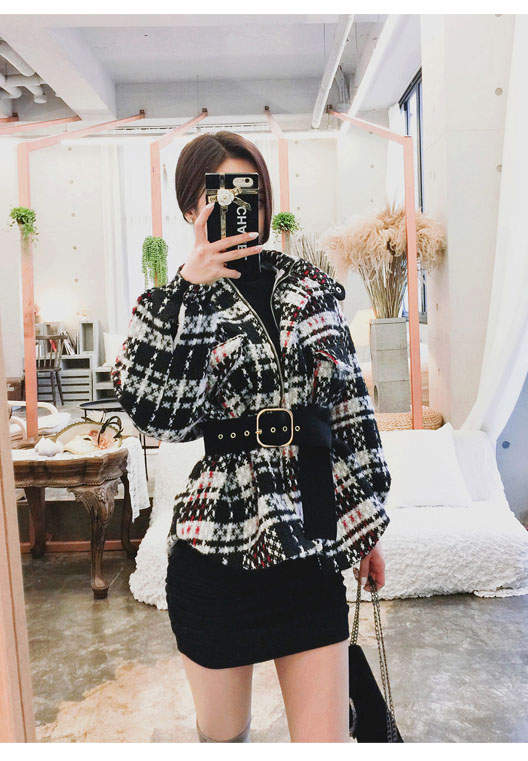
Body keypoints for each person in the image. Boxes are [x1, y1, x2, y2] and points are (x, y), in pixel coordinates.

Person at [112, 131, 390, 743]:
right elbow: (161, 418)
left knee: (325, 742)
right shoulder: (164, 306)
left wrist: (367, 526)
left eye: (252, 191)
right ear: (192, 207)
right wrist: (192, 294)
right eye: (220, 194)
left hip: (310, 539)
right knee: (223, 738)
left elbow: (350, 411)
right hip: (216, 547)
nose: (241, 206)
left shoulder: (309, 288)